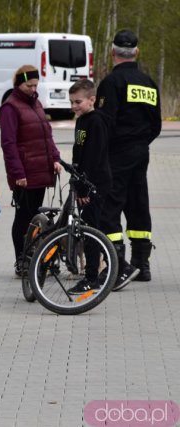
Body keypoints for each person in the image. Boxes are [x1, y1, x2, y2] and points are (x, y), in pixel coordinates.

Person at [95, 29, 162, 287]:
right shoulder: (149, 83)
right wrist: (140, 143)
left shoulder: (111, 84)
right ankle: (142, 265)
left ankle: (116, 265)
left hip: (116, 154)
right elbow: (156, 124)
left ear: (112, 52)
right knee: (138, 204)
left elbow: (105, 123)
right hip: (140, 152)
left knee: (109, 207)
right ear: (137, 52)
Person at [0, 64, 62, 276]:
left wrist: (55, 158)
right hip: (25, 174)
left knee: (35, 216)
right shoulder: (10, 107)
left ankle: (34, 257)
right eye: (29, 85)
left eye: (36, 85)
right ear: (19, 83)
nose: (33, 89)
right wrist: (18, 174)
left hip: (40, 171)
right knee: (23, 217)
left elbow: (47, 135)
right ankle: (21, 260)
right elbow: (8, 144)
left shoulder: (36, 103)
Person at [65, 79, 113, 294]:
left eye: (78, 102)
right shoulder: (81, 120)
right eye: (72, 102)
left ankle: (92, 277)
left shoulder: (96, 122)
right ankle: (119, 266)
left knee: (91, 232)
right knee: (91, 228)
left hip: (94, 184)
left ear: (92, 99)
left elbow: (94, 158)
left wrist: (84, 188)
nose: (74, 106)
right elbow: (79, 153)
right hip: (84, 181)